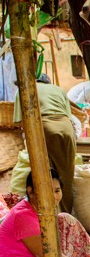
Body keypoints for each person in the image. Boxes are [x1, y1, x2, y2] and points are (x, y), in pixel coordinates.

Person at [14, 76, 76, 213]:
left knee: (44, 173)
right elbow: (69, 116)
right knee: (66, 175)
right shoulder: (58, 89)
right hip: (66, 127)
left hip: (44, 126)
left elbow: (21, 122)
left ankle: (50, 216)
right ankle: (66, 216)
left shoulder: (24, 90)